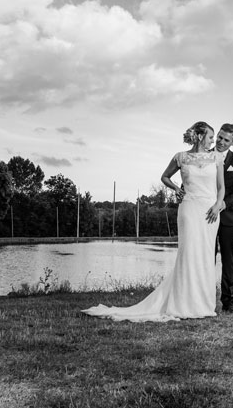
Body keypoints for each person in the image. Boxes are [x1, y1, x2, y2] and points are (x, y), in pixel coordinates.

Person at [82, 121, 225, 322]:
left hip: (210, 212)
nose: (213, 141)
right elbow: (164, 177)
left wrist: (218, 205)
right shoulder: (181, 157)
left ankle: (204, 304)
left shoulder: (216, 158)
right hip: (189, 209)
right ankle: (184, 303)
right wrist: (177, 189)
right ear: (201, 136)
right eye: (211, 137)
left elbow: (221, 188)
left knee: (205, 256)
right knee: (188, 254)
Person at [207, 123, 233, 314]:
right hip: (205, 216)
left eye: (226, 140)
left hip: (229, 217)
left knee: (228, 260)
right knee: (206, 258)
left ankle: (228, 302)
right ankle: (203, 298)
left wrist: (223, 203)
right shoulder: (204, 155)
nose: (221, 142)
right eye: (220, 137)